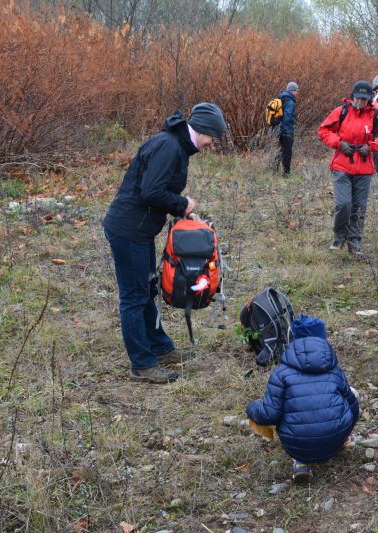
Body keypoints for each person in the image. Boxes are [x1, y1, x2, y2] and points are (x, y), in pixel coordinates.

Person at [103, 103, 226, 383]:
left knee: (147, 289)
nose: (212, 143)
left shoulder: (175, 144)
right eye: (213, 137)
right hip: (128, 230)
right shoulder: (170, 146)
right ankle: (142, 364)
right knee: (134, 298)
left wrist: (183, 210)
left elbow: (156, 189)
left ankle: (160, 347)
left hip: (139, 230)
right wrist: (182, 203)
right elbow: (151, 191)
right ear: (203, 130)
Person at [247, 315, 359, 481]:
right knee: (351, 393)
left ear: (293, 338)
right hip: (335, 440)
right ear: (323, 338)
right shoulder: (334, 369)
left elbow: (268, 415)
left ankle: (300, 462)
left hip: (297, 445)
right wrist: (344, 433)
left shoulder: (280, 373)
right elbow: (353, 407)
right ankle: (335, 444)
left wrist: (252, 407)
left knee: (274, 406)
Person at [317, 80, 378, 256]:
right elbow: (323, 131)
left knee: (359, 207)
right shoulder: (341, 111)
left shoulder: (375, 114)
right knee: (343, 204)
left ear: (369, 99)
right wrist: (339, 144)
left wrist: (372, 146)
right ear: (353, 96)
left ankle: (355, 242)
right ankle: (339, 236)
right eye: (358, 98)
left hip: (364, 167)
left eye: (365, 99)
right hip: (342, 165)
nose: (361, 102)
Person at [274, 82, 298, 176]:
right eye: (296, 90)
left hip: (278, 129)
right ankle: (286, 173)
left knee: (279, 150)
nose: (297, 93)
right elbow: (287, 117)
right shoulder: (290, 102)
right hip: (286, 131)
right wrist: (287, 131)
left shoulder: (281, 98)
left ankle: (274, 169)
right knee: (287, 152)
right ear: (292, 91)